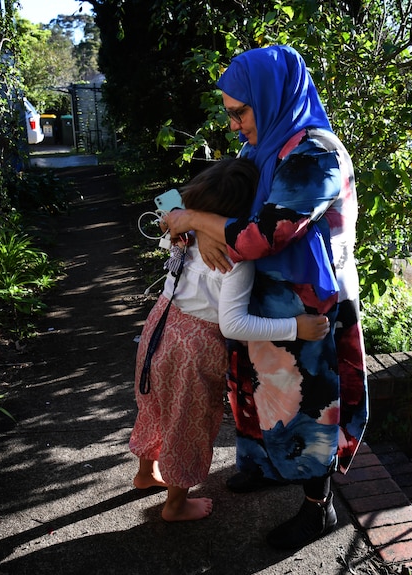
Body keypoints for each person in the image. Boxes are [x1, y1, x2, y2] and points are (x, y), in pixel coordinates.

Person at [164, 45, 369, 548]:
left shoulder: (313, 153)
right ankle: (262, 465)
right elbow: (203, 202)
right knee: (255, 393)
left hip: (308, 309)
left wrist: (192, 222)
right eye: (230, 113)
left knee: (309, 407)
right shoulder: (264, 146)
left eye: (240, 111)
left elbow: (264, 235)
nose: (234, 125)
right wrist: (189, 218)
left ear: (272, 97)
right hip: (262, 297)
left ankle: (317, 507)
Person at [129, 157, 331, 523]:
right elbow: (234, 324)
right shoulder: (236, 259)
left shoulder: (181, 232)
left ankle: (146, 472)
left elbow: (167, 217)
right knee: (188, 421)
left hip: (160, 326)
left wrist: (183, 220)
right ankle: (175, 505)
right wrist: (294, 328)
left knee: (155, 401)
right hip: (195, 347)